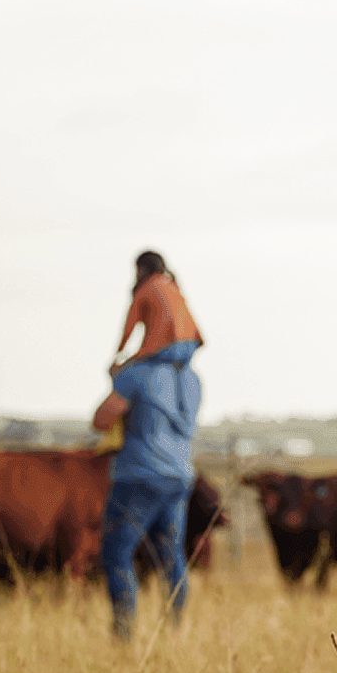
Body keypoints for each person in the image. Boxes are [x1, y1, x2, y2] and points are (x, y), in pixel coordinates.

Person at [91, 251, 205, 640]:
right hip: (180, 476)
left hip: (139, 473)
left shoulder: (137, 375)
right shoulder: (193, 380)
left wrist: (116, 380)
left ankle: (124, 633)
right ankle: (176, 631)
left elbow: (102, 420)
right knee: (171, 555)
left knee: (117, 553)